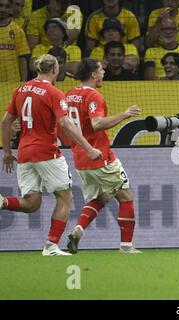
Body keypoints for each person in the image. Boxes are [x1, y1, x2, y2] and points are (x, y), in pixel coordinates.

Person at [0, 54, 102, 256]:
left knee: (31, 203)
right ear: (54, 70)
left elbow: (5, 122)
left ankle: (2, 202)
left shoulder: (20, 89)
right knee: (65, 197)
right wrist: (89, 149)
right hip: (46, 151)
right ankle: (51, 246)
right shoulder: (54, 93)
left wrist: (7, 152)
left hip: (25, 152)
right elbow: (65, 124)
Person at [65, 58, 142, 254]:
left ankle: (78, 230)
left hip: (81, 159)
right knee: (126, 197)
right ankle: (126, 246)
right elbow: (97, 124)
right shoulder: (93, 96)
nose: (104, 73)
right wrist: (124, 114)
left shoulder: (70, 95)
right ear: (93, 74)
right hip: (99, 156)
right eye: (101, 70)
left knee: (101, 197)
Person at [0, 0, 29, 82]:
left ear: (10, 9)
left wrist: (23, 83)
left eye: (7, 6)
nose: (3, 9)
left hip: (12, 82)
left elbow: (22, 59)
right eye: (0, 5)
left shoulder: (18, 30)